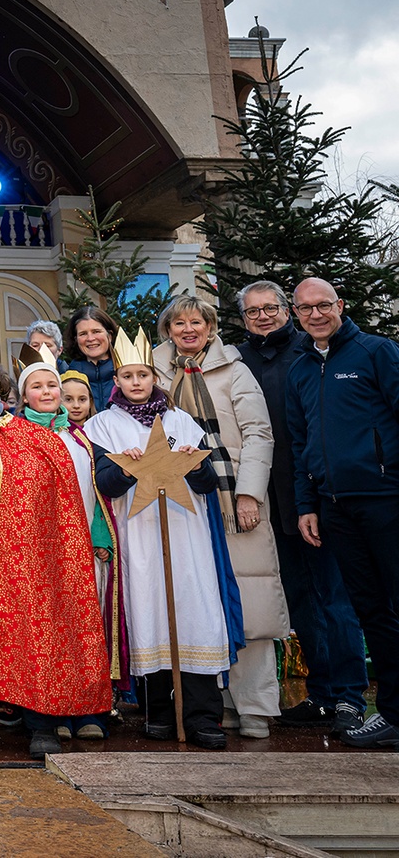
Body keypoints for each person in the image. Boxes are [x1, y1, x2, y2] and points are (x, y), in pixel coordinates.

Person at [0, 356, 112, 758]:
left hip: (22, 551)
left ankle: (39, 722)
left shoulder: (28, 433)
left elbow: (45, 482)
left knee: (33, 629)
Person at [85, 328, 242, 750]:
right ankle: (158, 711)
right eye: (128, 376)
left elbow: (207, 484)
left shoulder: (181, 421)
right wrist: (125, 469)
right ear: (116, 380)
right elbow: (104, 485)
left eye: (143, 375)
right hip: (138, 535)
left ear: (155, 377)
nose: (136, 382)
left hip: (185, 533)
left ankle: (202, 715)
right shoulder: (102, 426)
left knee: (193, 610)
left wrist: (193, 465)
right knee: (149, 609)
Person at [153, 294, 289, 739]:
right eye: (179, 324)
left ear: (210, 327)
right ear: (168, 331)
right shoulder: (155, 371)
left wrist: (249, 494)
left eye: (197, 322)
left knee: (249, 601)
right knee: (198, 600)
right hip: (179, 501)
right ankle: (215, 701)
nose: (188, 330)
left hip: (231, 500)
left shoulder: (234, 370)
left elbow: (258, 433)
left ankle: (254, 704)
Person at [236, 280, 367, 734]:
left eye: (270, 308)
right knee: (300, 601)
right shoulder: (238, 360)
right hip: (268, 501)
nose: (263, 317)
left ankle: (350, 696)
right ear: (243, 319)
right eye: (253, 312)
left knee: (335, 599)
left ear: (285, 310)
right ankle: (322, 693)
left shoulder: (310, 352)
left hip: (314, 494)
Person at [286, 277, 399, 749]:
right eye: (305, 308)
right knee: (371, 610)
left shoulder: (377, 352)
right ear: (296, 314)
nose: (315, 314)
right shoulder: (300, 370)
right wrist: (307, 505)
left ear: (340, 305)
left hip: (385, 499)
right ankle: (392, 715)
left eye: (323, 305)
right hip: (334, 507)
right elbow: (300, 444)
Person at [15, 349, 123, 741]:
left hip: (80, 550)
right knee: (43, 635)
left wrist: (99, 537)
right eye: (37, 386)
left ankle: (89, 710)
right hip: (36, 551)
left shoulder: (81, 439)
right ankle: (50, 711)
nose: (47, 392)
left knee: (84, 628)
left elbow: (96, 493)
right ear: (24, 396)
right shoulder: (14, 437)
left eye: (52, 385)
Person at [66, 306, 118, 408]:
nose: (90, 338)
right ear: (76, 339)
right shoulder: (69, 377)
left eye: (96, 331)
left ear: (110, 336)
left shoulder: (126, 373)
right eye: (83, 334)